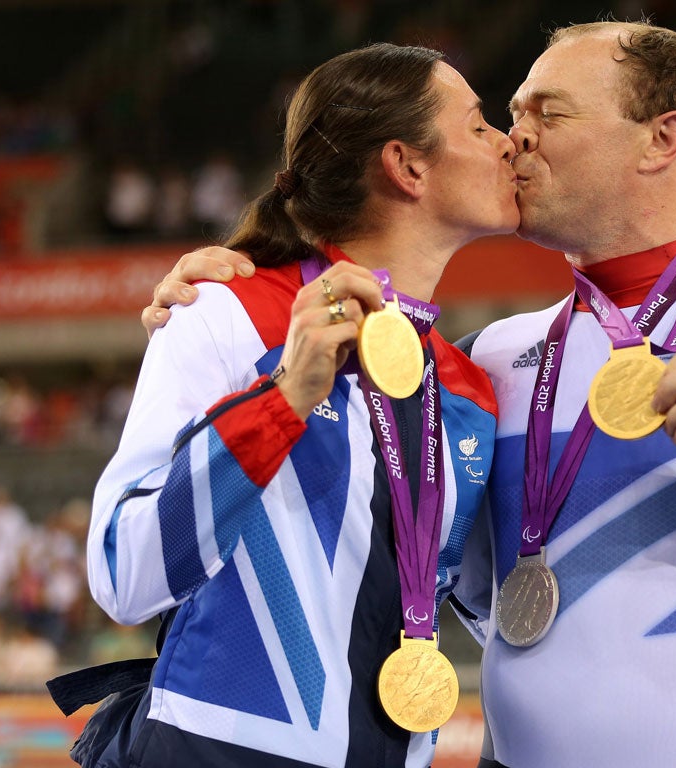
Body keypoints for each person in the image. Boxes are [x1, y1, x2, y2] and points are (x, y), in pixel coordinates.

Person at [144, 20, 676, 768]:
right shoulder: (486, 360)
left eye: (548, 113)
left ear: (662, 138)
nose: (513, 138)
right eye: (508, 113)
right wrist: (225, 296)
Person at [74, 42, 518, 768]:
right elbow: (124, 575)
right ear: (407, 166)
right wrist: (283, 399)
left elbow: (487, 607)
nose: (507, 143)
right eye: (478, 126)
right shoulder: (228, 315)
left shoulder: (464, 388)